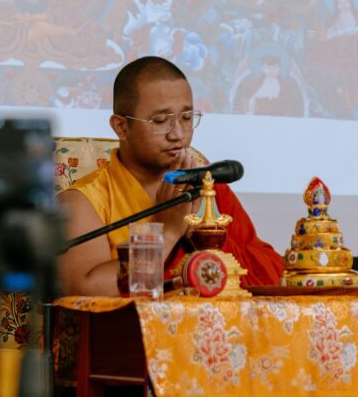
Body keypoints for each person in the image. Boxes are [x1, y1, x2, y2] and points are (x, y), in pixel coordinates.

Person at [58, 55, 284, 296]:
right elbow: (84, 291)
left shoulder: (207, 189)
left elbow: (271, 275)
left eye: (186, 118)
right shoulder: (84, 202)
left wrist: (204, 239)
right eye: (160, 121)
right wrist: (167, 232)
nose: (178, 134)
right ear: (121, 127)